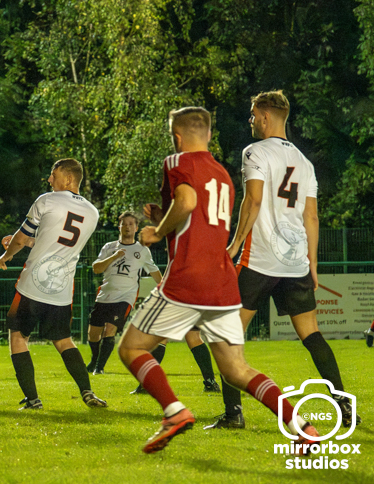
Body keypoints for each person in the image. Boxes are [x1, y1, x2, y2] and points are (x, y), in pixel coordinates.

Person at [117, 106, 319, 454]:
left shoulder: (176, 161)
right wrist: (164, 213)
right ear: (209, 135)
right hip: (223, 283)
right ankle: (302, 427)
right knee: (236, 370)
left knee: (131, 348)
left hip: (188, 277)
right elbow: (200, 215)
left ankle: (174, 412)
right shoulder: (222, 174)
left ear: (176, 137)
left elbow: (187, 201)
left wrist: (158, 231)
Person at [207, 90, 359, 430]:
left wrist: (234, 245)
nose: (250, 121)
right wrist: (312, 265)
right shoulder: (304, 162)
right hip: (295, 262)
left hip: (259, 259)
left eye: (252, 115)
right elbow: (312, 217)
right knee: (312, 334)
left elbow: (253, 200)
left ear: (264, 117)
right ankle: (345, 407)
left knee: (227, 333)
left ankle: (233, 414)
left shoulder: (255, 151)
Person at [0, 158, 107, 410]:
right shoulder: (92, 212)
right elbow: (57, 242)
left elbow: (22, 237)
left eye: (53, 174)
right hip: (61, 287)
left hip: (33, 283)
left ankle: (33, 400)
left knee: (18, 337)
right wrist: (28, 242)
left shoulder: (46, 200)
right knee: (64, 340)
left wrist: (7, 254)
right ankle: (87, 391)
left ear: (68, 179)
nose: (49, 179)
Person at [86, 211, 161, 375]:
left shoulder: (142, 250)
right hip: (105, 295)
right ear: (119, 227)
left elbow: (155, 272)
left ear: (136, 228)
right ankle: (94, 360)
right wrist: (114, 257)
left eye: (130, 224)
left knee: (110, 330)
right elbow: (96, 268)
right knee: (93, 334)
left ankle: (99, 368)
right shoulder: (109, 247)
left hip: (125, 296)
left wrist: (165, 289)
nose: (127, 227)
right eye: (124, 224)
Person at [129, 330, 221, 394]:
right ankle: (210, 382)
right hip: (194, 307)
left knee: (161, 336)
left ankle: (146, 385)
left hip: (176, 306)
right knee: (194, 337)